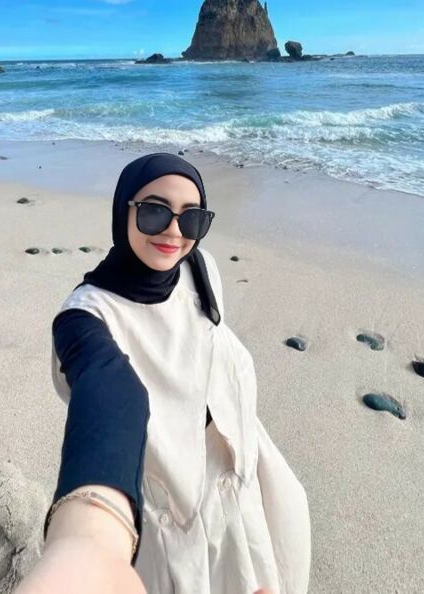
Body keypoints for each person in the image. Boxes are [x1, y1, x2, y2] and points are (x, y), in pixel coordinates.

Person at [16, 153, 311, 594]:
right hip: (175, 513)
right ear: (123, 211)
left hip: (242, 478)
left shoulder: (200, 269)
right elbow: (110, 392)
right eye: (154, 212)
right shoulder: (85, 318)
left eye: (192, 218)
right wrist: (88, 541)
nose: (174, 231)